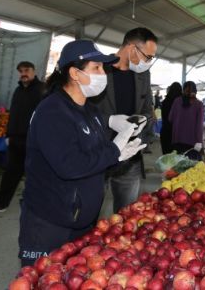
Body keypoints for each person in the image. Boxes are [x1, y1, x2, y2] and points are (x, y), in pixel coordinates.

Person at [18, 40, 145, 266]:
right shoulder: (52, 112)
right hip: (50, 223)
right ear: (75, 73)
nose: (103, 73)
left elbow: (96, 159)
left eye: (103, 68)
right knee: (42, 279)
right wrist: (114, 150)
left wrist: (119, 157)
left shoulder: (91, 111)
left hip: (83, 222)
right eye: (96, 68)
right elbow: (70, 165)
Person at [89, 27, 157, 213]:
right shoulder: (98, 69)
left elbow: (147, 108)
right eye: (148, 56)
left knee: (126, 215)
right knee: (88, 212)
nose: (148, 62)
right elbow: (81, 111)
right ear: (132, 48)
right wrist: (109, 120)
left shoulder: (143, 75)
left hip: (129, 157)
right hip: (98, 153)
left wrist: (143, 124)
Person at [0, 62, 46, 213]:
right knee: (10, 172)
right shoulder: (18, 90)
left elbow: (46, 117)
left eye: (27, 70)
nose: (24, 73)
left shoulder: (42, 90)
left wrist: (39, 139)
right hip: (15, 139)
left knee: (35, 174)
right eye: (21, 71)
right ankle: (0, 203)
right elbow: (14, 115)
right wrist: (8, 135)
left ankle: (36, 204)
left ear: (34, 71)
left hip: (33, 140)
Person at [169, 81, 204, 160]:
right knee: (190, 166)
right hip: (192, 142)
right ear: (195, 91)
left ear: (183, 90)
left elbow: (170, 119)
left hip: (177, 139)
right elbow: (199, 126)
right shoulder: (199, 104)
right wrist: (199, 142)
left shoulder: (176, 101)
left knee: (178, 165)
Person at [160, 82, 182, 154]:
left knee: (166, 158)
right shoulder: (181, 102)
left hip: (165, 132)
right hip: (177, 134)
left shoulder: (165, 102)